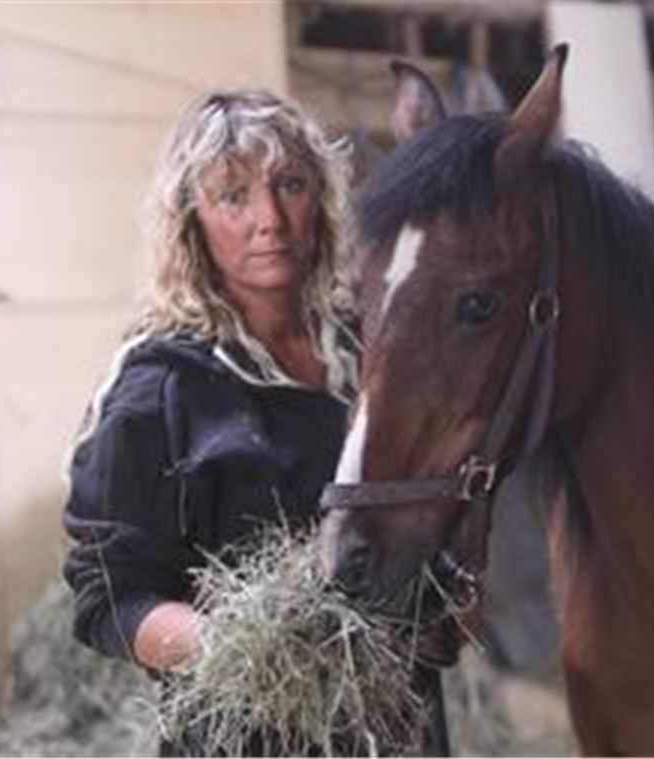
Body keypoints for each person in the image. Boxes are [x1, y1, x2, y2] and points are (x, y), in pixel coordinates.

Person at [60, 90, 452, 756]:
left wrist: (445, 608)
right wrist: (257, 648)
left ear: (320, 201)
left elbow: (440, 523)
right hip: (246, 738)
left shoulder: (375, 352)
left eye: (290, 185)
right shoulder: (156, 390)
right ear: (193, 221)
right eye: (233, 196)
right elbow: (108, 600)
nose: (269, 218)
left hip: (398, 732)